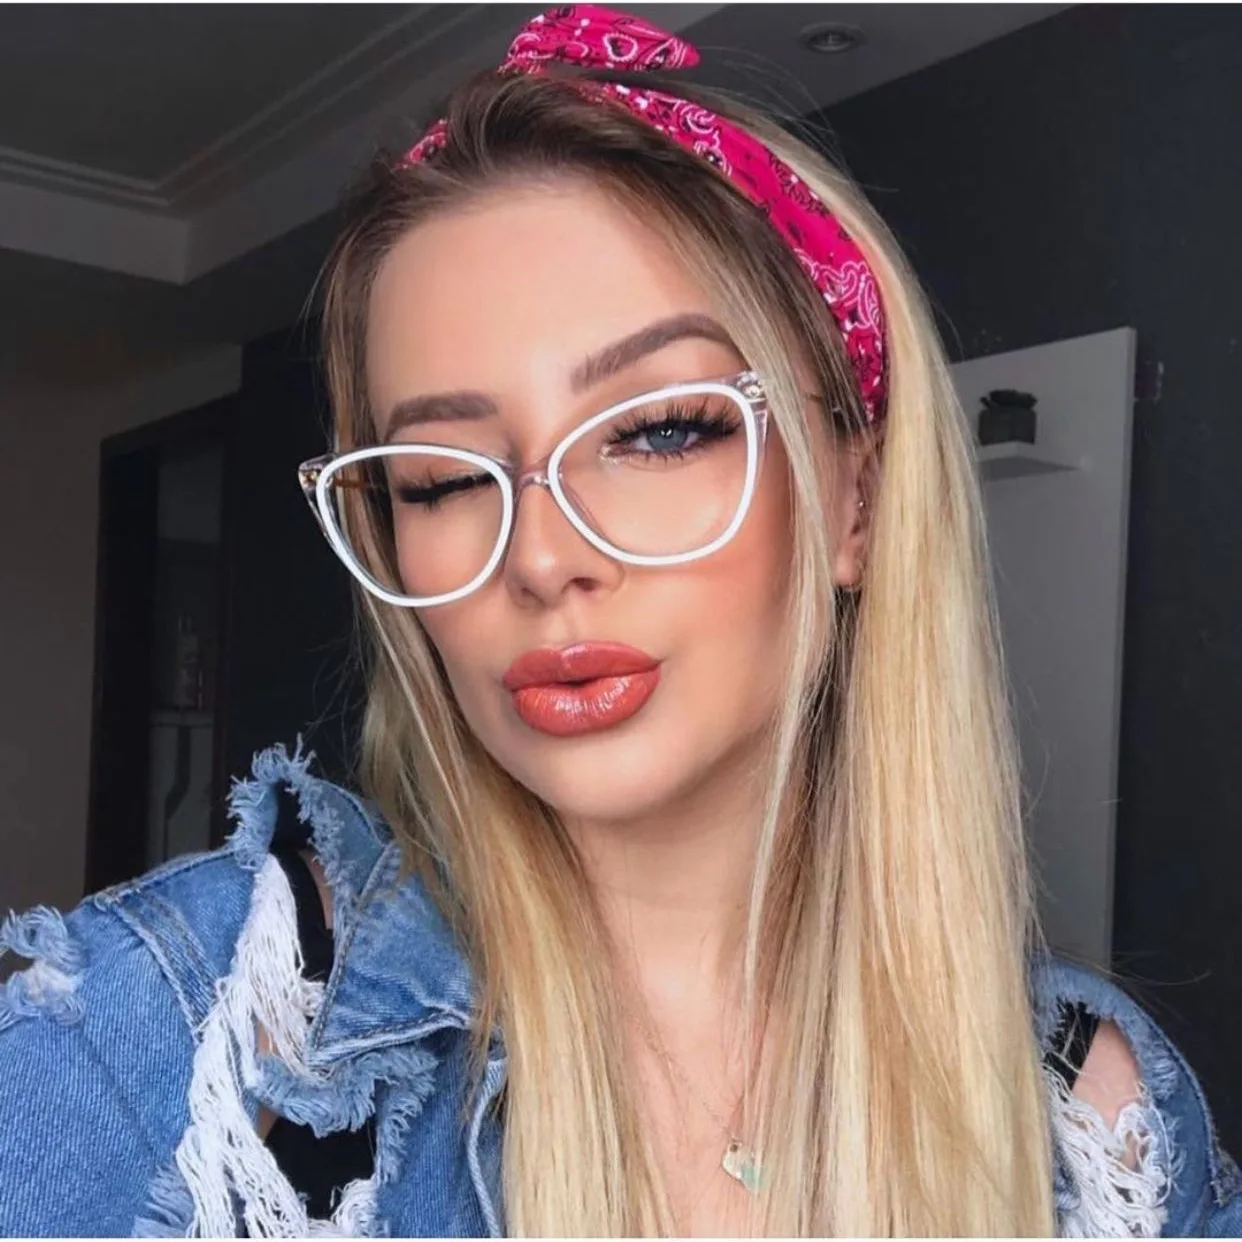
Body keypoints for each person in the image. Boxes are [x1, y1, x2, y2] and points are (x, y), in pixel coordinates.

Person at [1, 6, 1238, 1237]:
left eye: (658, 431)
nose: (542, 558)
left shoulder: (1098, 1123)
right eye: (442, 479)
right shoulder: (200, 1027)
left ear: (855, 504)